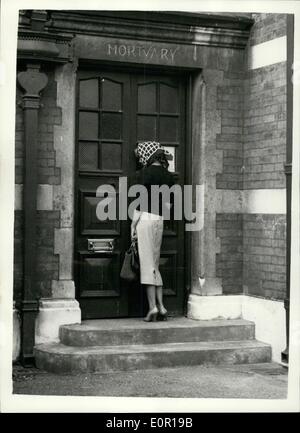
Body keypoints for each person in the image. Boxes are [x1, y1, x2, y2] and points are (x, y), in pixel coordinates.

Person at [131, 141, 175, 322]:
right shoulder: (169, 176)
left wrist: (133, 226)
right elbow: (170, 205)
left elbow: (139, 204)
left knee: (147, 264)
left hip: (145, 219)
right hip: (160, 219)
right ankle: (162, 306)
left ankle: (152, 307)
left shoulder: (142, 175)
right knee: (155, 264)